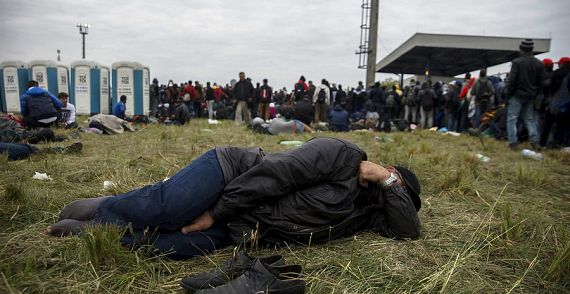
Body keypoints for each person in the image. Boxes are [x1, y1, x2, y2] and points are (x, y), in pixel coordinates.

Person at [46, 137, 422, 260]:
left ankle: (90, 232)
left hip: (242, 223)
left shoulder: (364, 215)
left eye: (396, 191)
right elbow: (273, 177)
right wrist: (215, 211)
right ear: (385, 168)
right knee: (167, 209)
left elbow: (408, 232)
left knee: (171, 246)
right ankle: (103, 208)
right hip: (230, 175)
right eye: (393, 181)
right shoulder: (341, 154)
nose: (391, 191)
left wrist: (390, 186)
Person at [505, 39, 545, 150]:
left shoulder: (517, 62)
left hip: (517, 95)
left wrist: (508, 95)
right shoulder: (539, 64)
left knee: (512, 118)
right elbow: (541, 82)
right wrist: (537, 95)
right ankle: (535, 141)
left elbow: (512, 81)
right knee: (530, 119)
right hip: (531, 95)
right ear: (532, 49)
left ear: (521, 49)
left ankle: (513, 142)